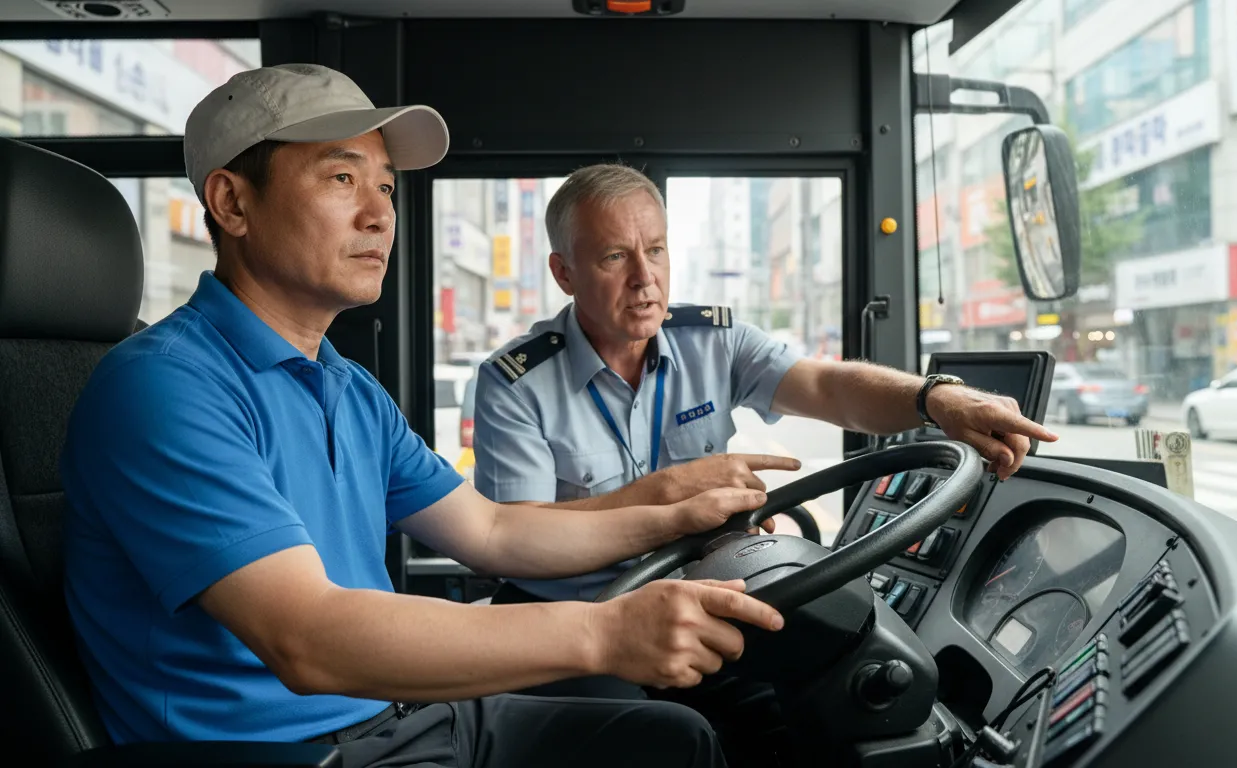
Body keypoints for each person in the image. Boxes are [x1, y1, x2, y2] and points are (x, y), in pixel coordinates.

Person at [60, 63, 786, 768]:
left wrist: (680, 518)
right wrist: (603, 633)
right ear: (233, 203)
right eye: (342, 179)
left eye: (384, 186)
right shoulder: (163, 387)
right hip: (296, 751)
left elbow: (493, 531)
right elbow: (307, 638)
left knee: (675, 739)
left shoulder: (347, 387)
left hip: (400, 718)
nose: (380, 214)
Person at [472, 161, 1059, 626]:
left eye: (655, 250)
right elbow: (518, 537)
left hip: (703, 599)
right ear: (564, 273)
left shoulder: (712, 341)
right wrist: (668, 494)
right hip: (573, 622)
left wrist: (934, 398)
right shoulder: (515, 384)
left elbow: (828, 387)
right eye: (613, 256)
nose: (644, 278)